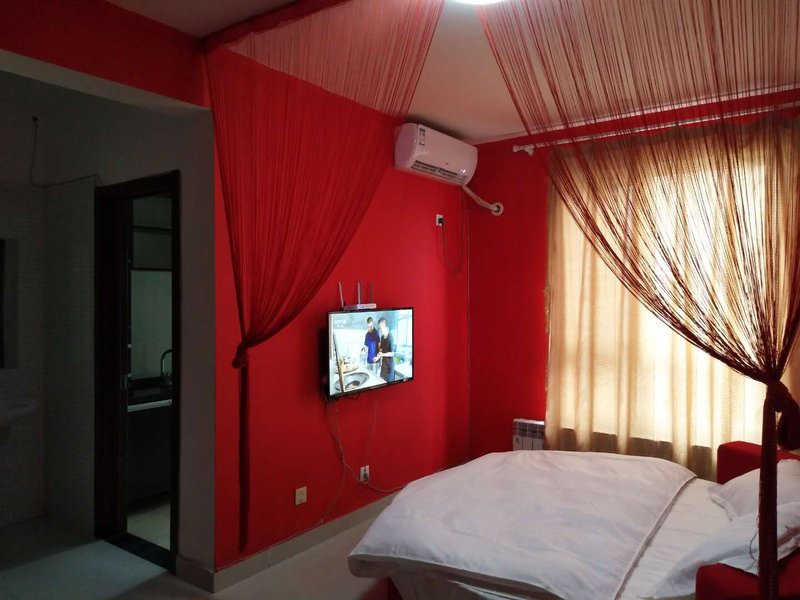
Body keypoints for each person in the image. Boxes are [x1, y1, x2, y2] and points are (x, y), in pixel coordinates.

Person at [376, 317, 396, 382]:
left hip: (389, 368)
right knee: (380, 382)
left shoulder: (390, 337)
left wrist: (382, 354)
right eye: (379, 328)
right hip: (383, 367)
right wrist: (377, 357)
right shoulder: (382, 337)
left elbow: (392, 353)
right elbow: (381, 350)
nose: (380, 330)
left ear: (384, 325)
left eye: (380, 328)